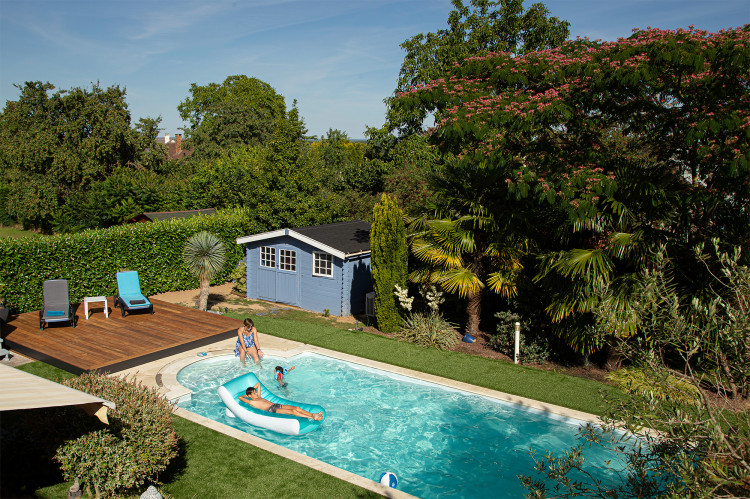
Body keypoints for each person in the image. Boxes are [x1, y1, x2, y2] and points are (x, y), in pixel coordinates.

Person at [239, 383, 323, 421]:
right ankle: (312, 418)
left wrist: (252, 391)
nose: (256, 393)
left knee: (296, 408)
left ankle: (312, 414)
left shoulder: (259, 396)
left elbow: (258, 384)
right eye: (254, 393)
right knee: (293, 411)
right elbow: (240, 397)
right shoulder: (252, 402)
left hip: (276, 405)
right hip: (272, 409)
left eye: (255, 391)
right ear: (250, 396)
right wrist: (246, 395)